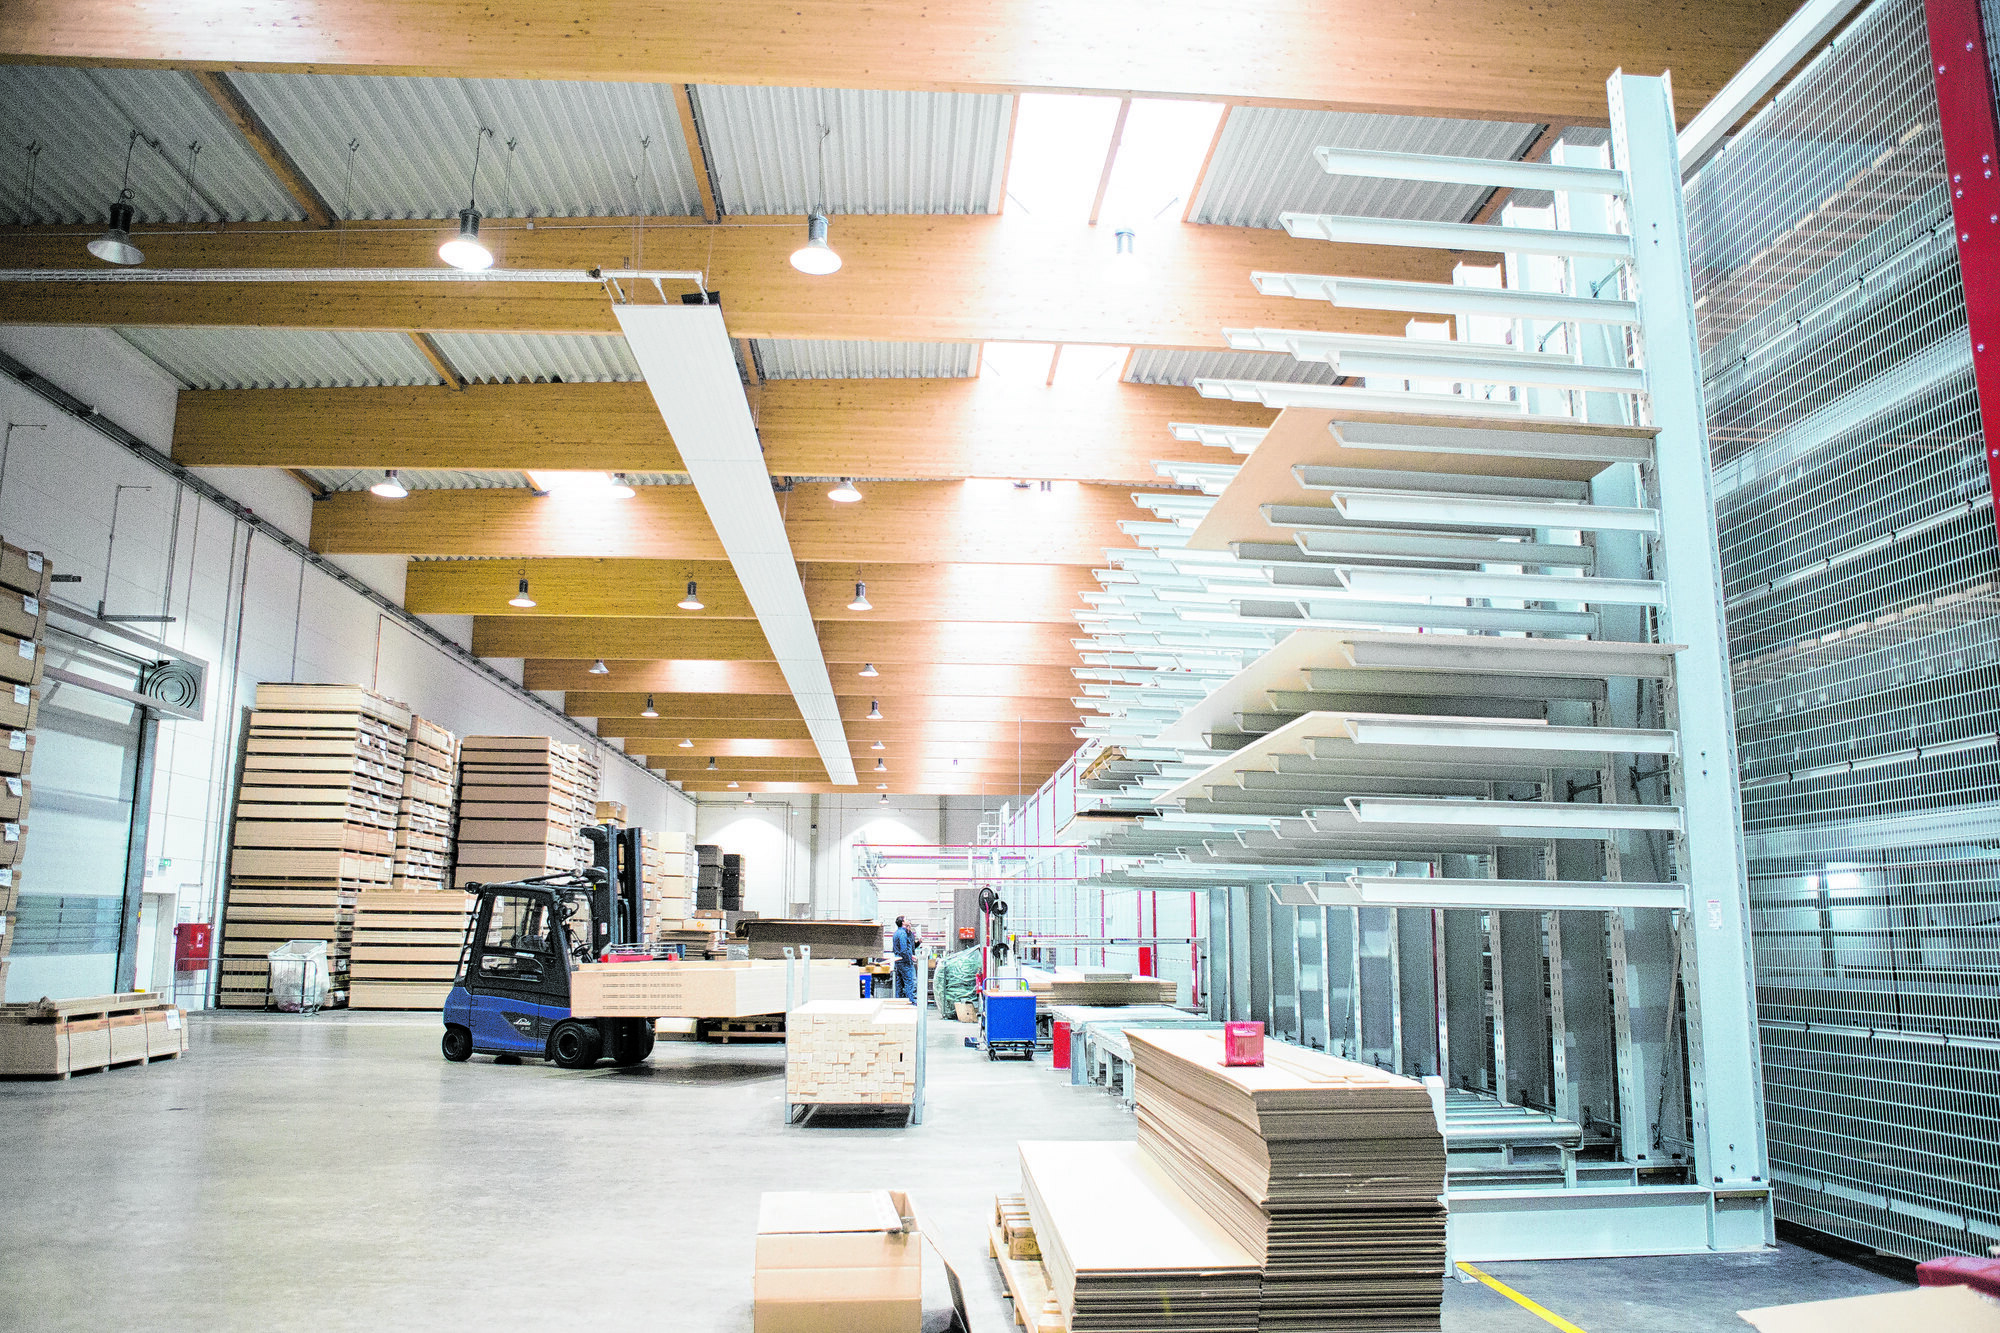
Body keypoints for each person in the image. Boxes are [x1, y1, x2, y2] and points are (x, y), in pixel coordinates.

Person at [890, 915, 919, 1002]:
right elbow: (903, 950)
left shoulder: (897, 933)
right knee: (910, 983)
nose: (908, 920)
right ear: (903, 922)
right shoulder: (902, 934)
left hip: (899, 961)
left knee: (899, 984)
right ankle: (911, 1002)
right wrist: (910, 957)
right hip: (905, 962)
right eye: (906, 919)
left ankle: (899, 1002)